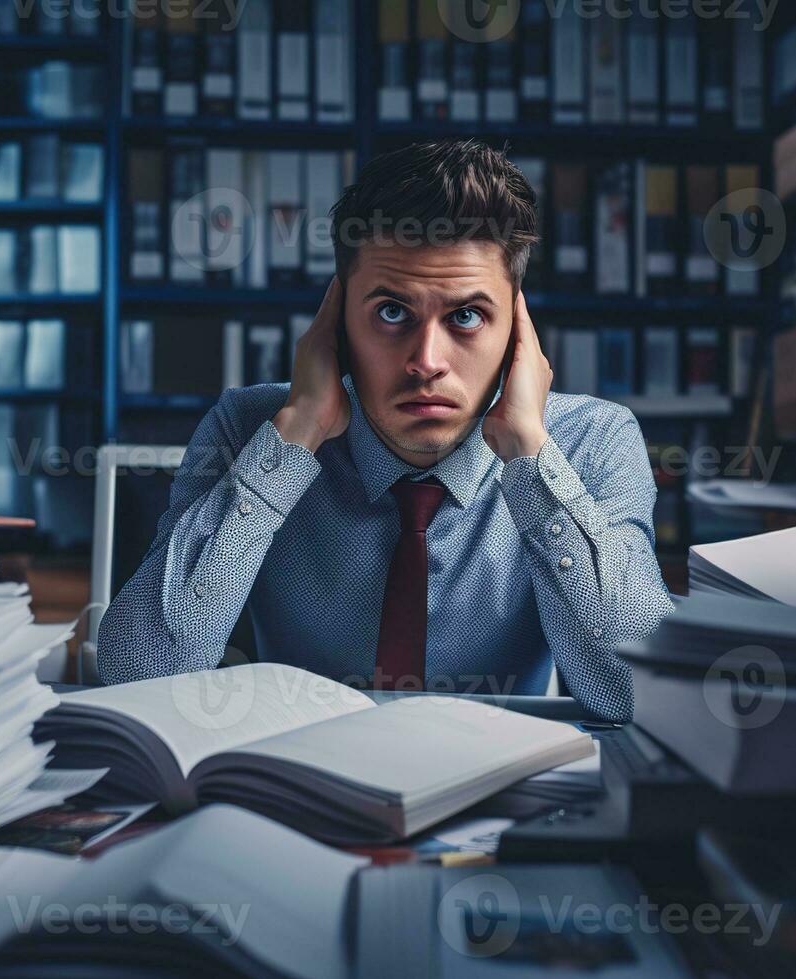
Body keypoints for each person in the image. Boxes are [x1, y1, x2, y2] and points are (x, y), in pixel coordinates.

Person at [97, 140, 673, 721]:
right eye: (392, 312)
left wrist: (530, 458)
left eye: (466, 316)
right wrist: (293, 438)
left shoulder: (592, 440)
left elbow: (642, 697)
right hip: (302, 781)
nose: (427, 361)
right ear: (338, 321)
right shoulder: (250, 428)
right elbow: (138, 678)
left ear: (518, 331)